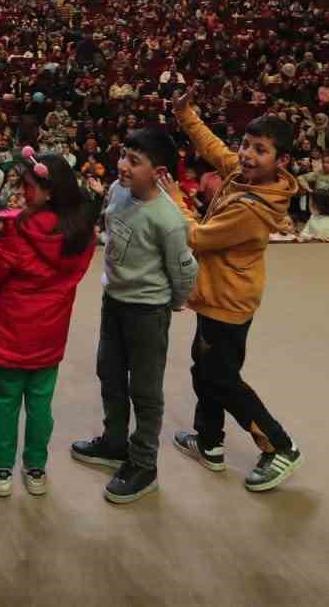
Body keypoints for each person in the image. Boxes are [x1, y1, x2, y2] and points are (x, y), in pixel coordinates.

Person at [169, 89, 305, 493]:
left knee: (222, 378)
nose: (246, 154)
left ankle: (281, 446)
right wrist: (186, 114)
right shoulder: (244, 175)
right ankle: (208, 442)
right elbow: (214, 148)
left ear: (281, 162)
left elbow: (196, 236)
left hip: (228, 301)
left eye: (259, 150)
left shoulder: (252, 208)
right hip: (216, 295)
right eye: (246, 144)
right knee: (205, 368)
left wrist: (174, 198)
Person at [69, 128, 197, 505]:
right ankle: (114, 442)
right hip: (115, 301)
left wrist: (174, 302)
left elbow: (184, 268)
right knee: (108, 371)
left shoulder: (168, 219)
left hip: (148, 310)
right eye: (123, 155)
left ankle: (144, 464)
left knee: (144, 388)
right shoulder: (117, 191)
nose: (123, 165)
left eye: (134, 161)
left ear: (158, 173)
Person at [0, 148, 95, 499]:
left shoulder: (19, 229)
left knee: (6, 401)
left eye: (29, 186)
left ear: (48, 191)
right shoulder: (80, 235)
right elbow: (74, 276)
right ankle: (36, 468)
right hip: (50, 332)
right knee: (41, 403)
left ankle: (1, 469)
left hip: (13, 330)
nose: (22, 191)